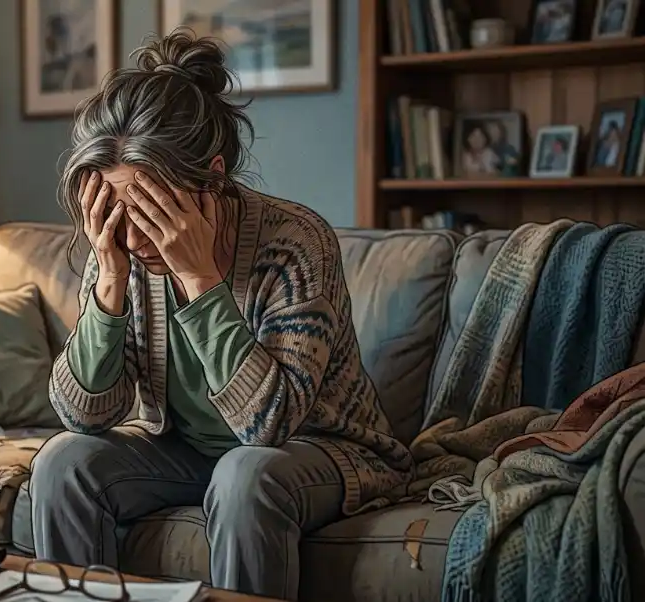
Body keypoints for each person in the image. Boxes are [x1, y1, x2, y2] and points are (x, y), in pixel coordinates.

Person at [30, 28, 414, 600]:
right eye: (116, 212)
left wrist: (199, 278)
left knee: (244, 472)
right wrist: (109, 282)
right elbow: (82, 415)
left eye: (152, 211)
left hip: (319, 451)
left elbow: (269, 427)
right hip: (185, 452)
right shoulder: (118, 250)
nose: (133, 237)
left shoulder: (295, 243)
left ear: (212, 178)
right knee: (63, 463)